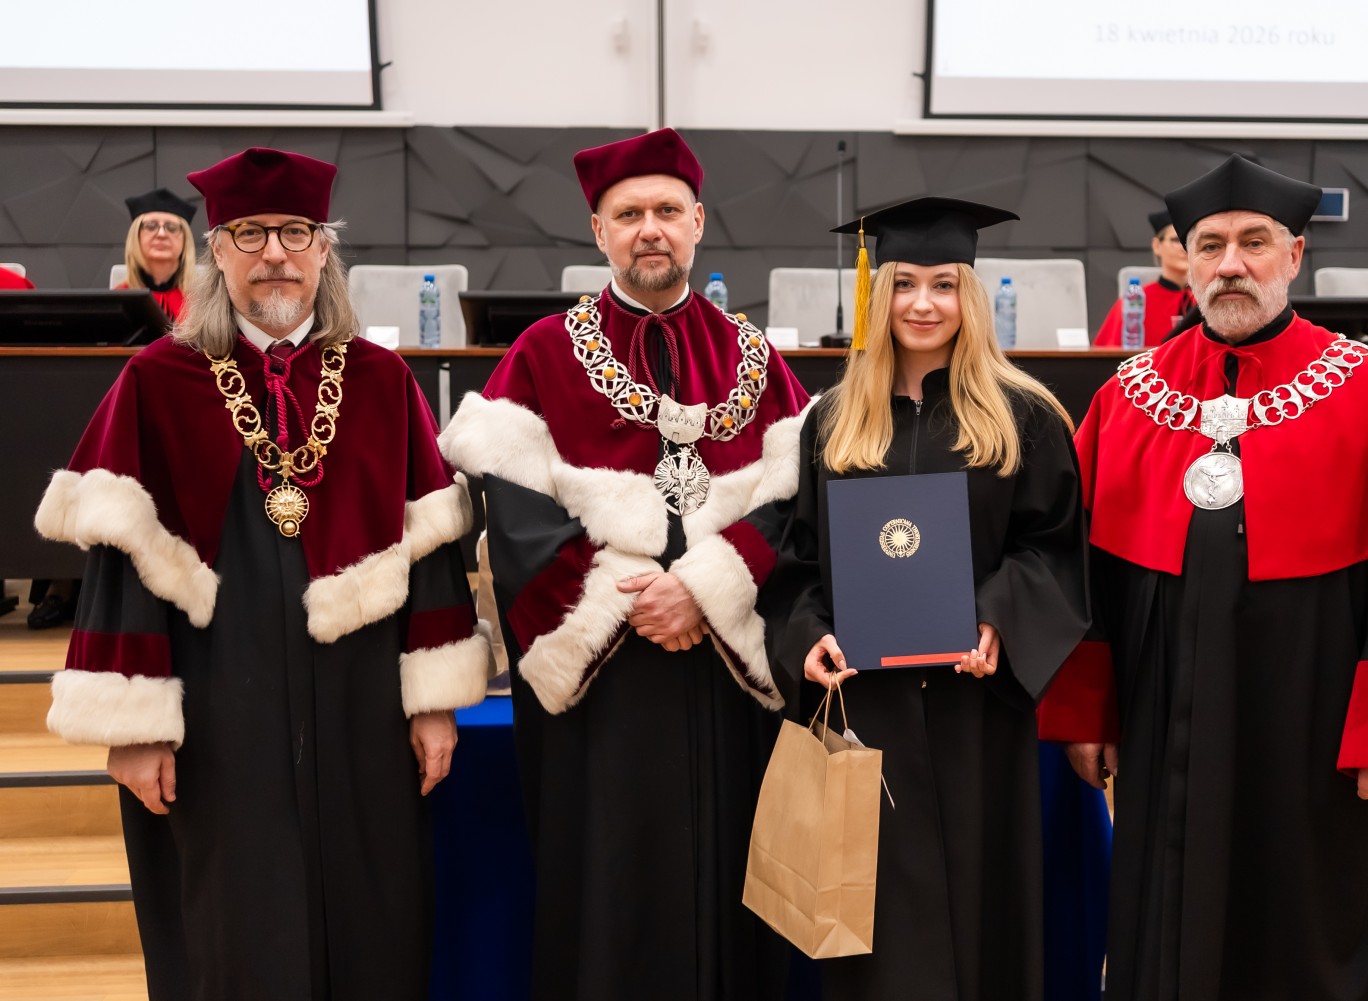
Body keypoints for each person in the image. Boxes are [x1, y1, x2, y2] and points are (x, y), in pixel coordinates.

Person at [34, 147, 492, 1001]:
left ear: (324, 248)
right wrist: (134, 722)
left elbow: (429, 548)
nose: (274, 252)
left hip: (362, 702)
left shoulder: (382, 381)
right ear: (217, 250)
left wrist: (433, 699)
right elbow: (121, 566)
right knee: (228, 923)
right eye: (250, 234)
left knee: (373, 911)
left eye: (295, 232)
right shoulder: (156, 383)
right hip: (214, 705)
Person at [1041, 154, 1368, 1001]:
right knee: (1165, 909)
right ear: (1187, 261)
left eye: (1253, 243)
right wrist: (1088, 709)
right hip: (1164, 709)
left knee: (1305, 911)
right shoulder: (1127, 396)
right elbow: (1084, 568)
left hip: (1315, 713)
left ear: (1295, 255)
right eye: (1210, 245)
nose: (1230, 263)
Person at [438, 128, 810, 1000]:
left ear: (698, 223)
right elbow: (515, 514)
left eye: (668, 211)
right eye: (630, 213)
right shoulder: (541, 354)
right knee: (605, 889)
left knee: (732, 886)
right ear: (598, 230)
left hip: (725, 676)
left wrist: (707, 589)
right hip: (602, 693)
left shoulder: (756, 360)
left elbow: (799, 501)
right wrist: (630, 601)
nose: (651, 229)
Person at [776, 197, 1091, 1001]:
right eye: (905, 284)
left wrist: (998, 617)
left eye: (944, 284)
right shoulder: (833, 421)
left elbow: (1053, 547)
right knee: (874, 927)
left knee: (985, 914)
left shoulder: (1024, 418)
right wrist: (808, 633)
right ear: (877, 294)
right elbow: (797, 560)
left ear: (969, 296)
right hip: (867, 714)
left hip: (975, 712)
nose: (923, 303)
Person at [1094, 208, 1194, 348]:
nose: (1185, 247)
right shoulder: (1136, 301)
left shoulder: (1208, 299)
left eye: (1190, 241)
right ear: (1157, 246)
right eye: (1177, 240)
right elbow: (1107, 353)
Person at [117, 187, 197, 322]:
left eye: (172, 227)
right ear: (136, 235)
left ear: (185, 239)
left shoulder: (202, 302)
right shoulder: (119, 300)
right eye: (151, 226)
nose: (161, 234)